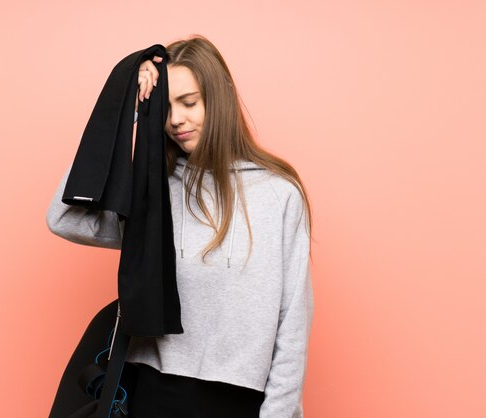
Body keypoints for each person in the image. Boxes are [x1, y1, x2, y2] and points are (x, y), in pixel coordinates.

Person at [46, 34, 314, 418]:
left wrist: (281, 413)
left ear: (217, 99)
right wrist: (127, 111)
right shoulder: (154, 192)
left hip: (239, 400)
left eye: (189, 103)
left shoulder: (278, 193)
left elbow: (293, 321)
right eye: (164, 106)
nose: (175, 120)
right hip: (153, 393)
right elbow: (64, 217)